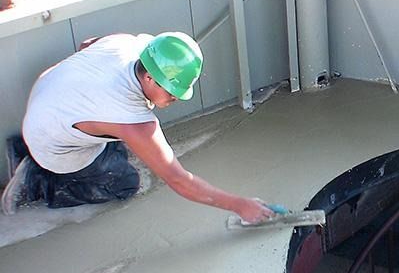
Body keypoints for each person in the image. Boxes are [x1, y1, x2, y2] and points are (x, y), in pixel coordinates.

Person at [1, 32, 274, 224]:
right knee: (125, 182)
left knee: (115, 148)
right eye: (171, 92)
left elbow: (87, 44)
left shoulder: (127, 44)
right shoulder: (135, 122)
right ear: (149, 77)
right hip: (54, 144)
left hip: (43, 104)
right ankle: (37, 182)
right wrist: (240, 205)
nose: (175, 98)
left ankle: (21, 147)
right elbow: (178, 179)